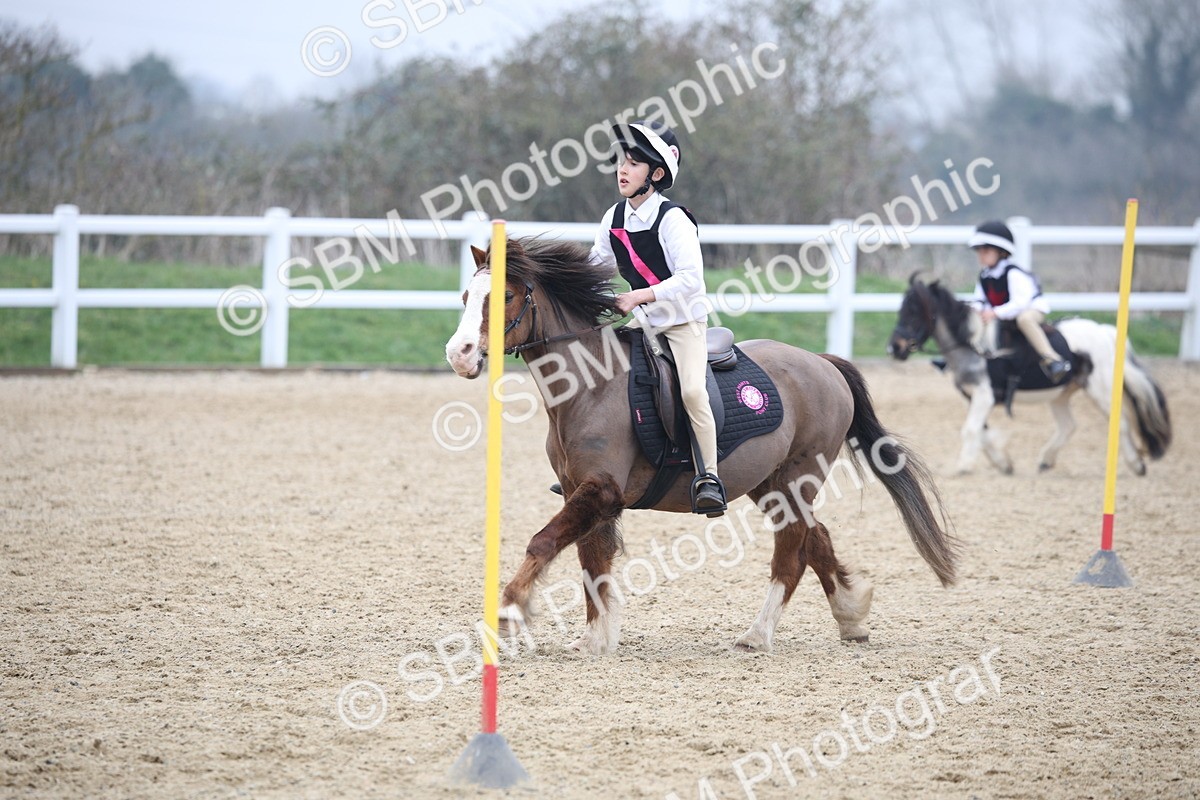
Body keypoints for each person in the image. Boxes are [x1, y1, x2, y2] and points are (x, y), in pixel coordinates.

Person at [589, 120, 726, 515]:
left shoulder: (674, 219)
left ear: (657, 174)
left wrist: (637, 296)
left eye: (633, 163)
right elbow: (595, 266)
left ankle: (710, 477)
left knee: (692, 393)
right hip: (643, 324)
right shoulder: (612, 218)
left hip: (682, 323)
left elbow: (690, 279)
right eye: (620, 161)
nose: (622, 169)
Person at [969, 220, 1071, 381]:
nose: (981, 254)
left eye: (986, 250)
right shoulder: (984, 275)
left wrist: (994, 312)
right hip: (1005, 312)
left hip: (1031, 309)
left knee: (1024, 320)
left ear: (1001, 252)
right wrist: (977, 310)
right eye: (979, 250)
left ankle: (1053, 360)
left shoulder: (1013, 273)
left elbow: (1020, 303)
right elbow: (979, 298)